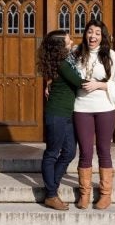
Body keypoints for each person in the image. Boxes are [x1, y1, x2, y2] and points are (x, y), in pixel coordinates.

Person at [73, 19, 115, 210]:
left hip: (105, 108)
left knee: (103, 150)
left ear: (102, 37)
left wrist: (100, 85)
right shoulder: (76, 53)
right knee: (85, 151)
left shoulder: (110, 55)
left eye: (97, 33)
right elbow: (64, 72)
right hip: (81, 108)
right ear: (85, 34)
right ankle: (84, 194)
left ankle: (105, 194)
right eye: (90, 32)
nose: (93, 36)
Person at [37, 30, 83, 211]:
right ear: (59, 47)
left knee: (70, 152)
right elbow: (80, 82)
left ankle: (51, 187)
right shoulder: (63, 64)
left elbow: (81, 48)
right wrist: (104, 84)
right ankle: (51, 194)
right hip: (57, 114)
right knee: (51, 153)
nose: (72, 41)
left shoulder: (66, 59)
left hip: (66, 114)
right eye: (68, 39)